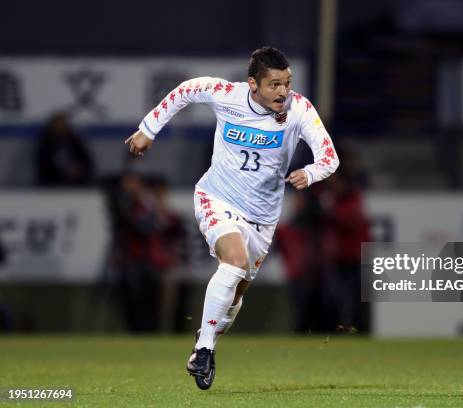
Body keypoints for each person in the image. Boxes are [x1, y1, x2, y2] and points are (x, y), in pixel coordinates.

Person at [124, 46, 339, 389]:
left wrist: (311, 173)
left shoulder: (299, 109)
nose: (283, 92)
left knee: (236, 293)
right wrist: (148, 129)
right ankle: (205, 349)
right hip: (217, 196)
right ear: (252, 84)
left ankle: (205, 340)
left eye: (287, 83)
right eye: (274, 85)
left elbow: (330, 158)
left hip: (263, 216)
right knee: (234, 262)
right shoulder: (227, 95)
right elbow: (185, 91)